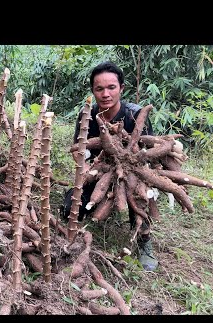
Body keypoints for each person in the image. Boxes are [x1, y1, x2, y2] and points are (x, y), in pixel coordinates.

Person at [61, 61, 158, 271]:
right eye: (99, 89)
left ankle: (144, 239)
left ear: (121, 88)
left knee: (142, 195)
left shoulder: (135, 115)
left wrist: (138, 176)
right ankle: (75, 230)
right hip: (99, 171)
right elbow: (80, 150)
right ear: (93, 91)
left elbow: (148, 154)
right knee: (70, 207)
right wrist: (84, 168)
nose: (105, 94)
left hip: (133, 173)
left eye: (111, 87)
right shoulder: (87, 115)